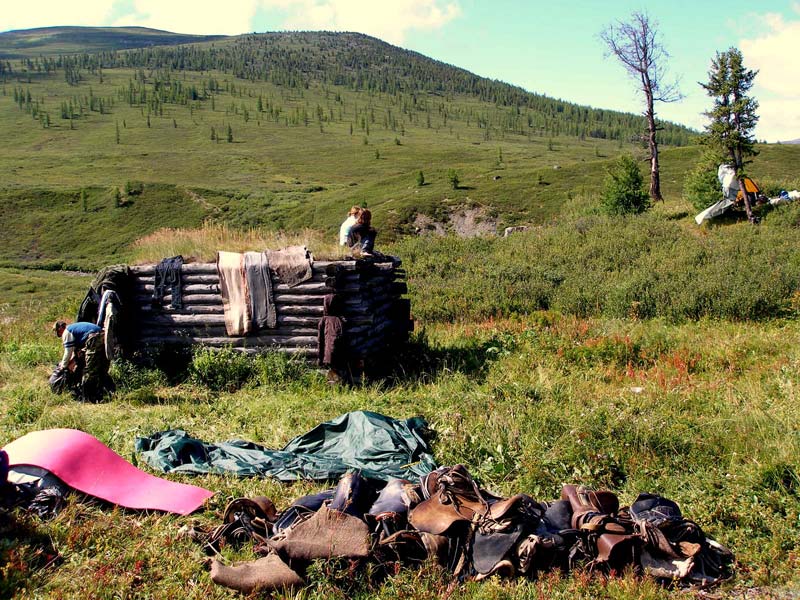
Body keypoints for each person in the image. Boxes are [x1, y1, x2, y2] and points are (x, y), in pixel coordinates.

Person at [52, 320, 112, 402]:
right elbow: (76, 354)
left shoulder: (67, 332)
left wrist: (63, 366)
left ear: (60, 329)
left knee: (89, 370)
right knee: (101, 368)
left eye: (58, 332)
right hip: (102, 335)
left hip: (93, 339)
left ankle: (89, 397)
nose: (59, 334)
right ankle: (109, 391)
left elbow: (68, 353)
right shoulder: (75, 330)